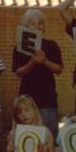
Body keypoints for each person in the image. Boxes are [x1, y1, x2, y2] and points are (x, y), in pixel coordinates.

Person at [11, 9, 64, 137]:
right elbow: (18, 72)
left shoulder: (51, 45)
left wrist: (45, 60)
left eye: (40, 23)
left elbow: (58, 69)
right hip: (27, 100)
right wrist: (33, 63)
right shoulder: (19, 47)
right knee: (27, 137)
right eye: (33, 23)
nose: (38, 26)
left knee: (48, 137)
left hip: (48, 100)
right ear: (26, 26)